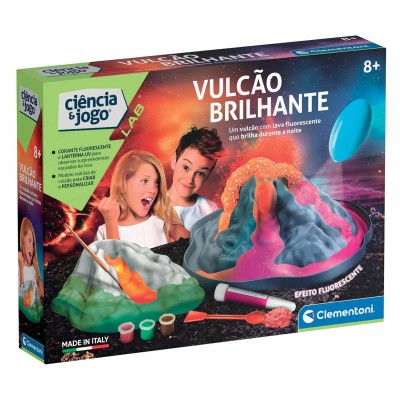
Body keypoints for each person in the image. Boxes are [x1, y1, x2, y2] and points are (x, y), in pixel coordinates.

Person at [95, 150, 188, 248]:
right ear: (122, 184)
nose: (153, 189)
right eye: (144, 181)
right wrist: (111, 222)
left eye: (156, 182)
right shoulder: (104, 231)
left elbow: (196, 248)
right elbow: (114, 258)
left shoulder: (164, 223)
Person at [169, 126, 224, 230]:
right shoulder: (150, 206)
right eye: (186, 167)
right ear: (174, 161)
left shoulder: (211, 211)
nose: (190, 179)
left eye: (200, 173)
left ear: (207, 175)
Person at [18, 217, 44, 304]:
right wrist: (21, 266)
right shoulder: (18, 264)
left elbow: (39, 283)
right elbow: (22, 294)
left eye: (33, 243)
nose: (32, 247)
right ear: (23, 240)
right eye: (29, 241)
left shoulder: (34, 267)